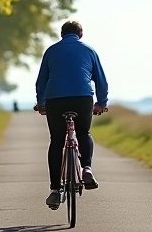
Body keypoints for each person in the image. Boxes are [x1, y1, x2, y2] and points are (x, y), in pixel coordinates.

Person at [32, 20, 109, 210]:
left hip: (55, 100)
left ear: (61, 34)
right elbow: (101, 81)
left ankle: (55, 191)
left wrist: (42, 104)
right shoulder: (89, 51)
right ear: (81, 34)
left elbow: (41, 82)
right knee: (83, 132)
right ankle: (87, 168)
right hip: (82, 98)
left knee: (57, 141)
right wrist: (101, 103)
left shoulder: (51, 51)